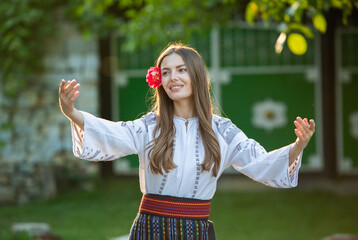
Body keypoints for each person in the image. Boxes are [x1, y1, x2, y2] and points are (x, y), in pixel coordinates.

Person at [58, 43, 315, 240]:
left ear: (196, 76)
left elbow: (260, 162)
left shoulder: (222, 130)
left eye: (181, 70)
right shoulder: (150, 126)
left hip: (197, 230)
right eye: (166, 72)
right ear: (160, 81)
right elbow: (111, 134)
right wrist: (72, 112)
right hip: (151, 228)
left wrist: (297, 147)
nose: (173, 78)